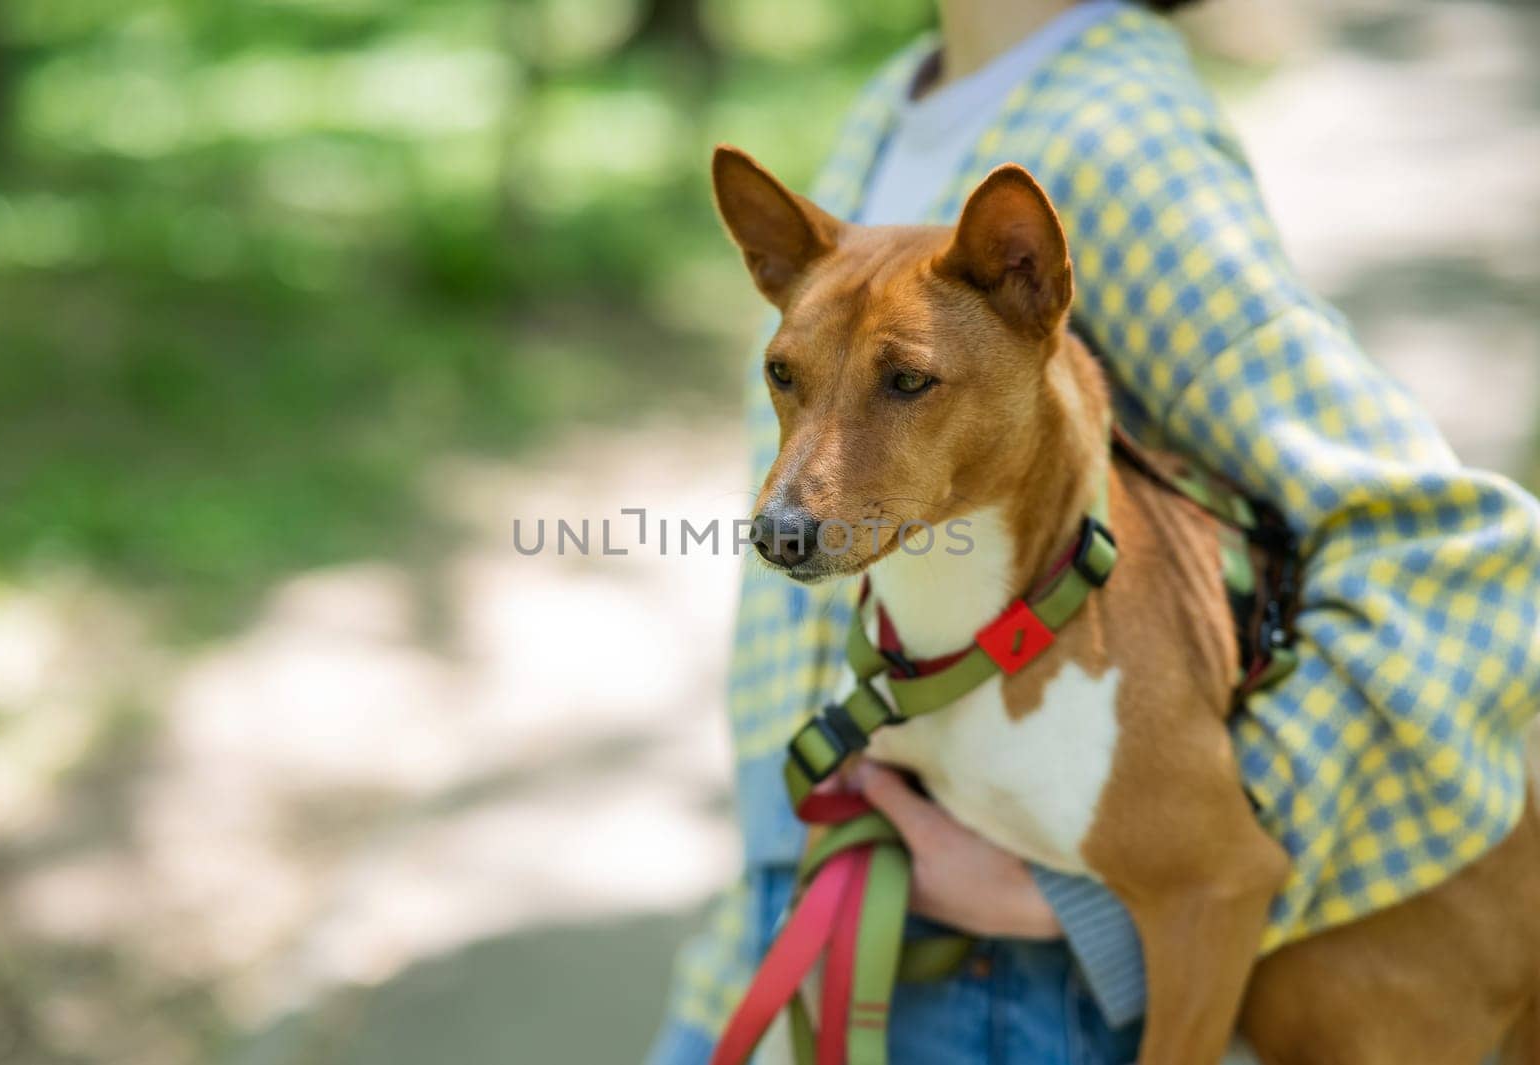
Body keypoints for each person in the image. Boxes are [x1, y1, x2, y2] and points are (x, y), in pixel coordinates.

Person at [647, 0, 1540, 1061]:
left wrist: (1143, 879)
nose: (787, 505)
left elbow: (1451, 551)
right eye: (786, 378)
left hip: (1005, 983)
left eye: (905, 382)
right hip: (823, 896)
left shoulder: (1117, 130)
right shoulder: (905, 97)